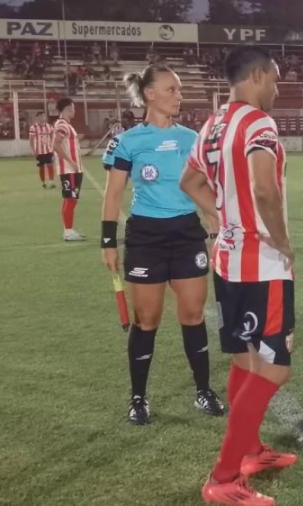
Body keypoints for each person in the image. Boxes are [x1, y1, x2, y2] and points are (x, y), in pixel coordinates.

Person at [180, 45, 297, 506]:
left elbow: (189, 182)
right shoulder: (258, 123)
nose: (277, 89)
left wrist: (219, 215)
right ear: (259, 74)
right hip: (260, 263)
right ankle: (225, 477)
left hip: (227, 259)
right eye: (276, 79)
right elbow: (265, 188)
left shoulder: (211, 125)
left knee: (246, 361)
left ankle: (250, 450)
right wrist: (282, 240)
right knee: (276, 368)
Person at [101, 64, 226, 425]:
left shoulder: (192, 138)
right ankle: (138, 398)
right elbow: (112, 194)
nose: (178, 96)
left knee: (193, 314)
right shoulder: (128, 141)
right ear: (150, 94)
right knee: (147, 319)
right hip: (146, 238)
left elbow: (206, 188)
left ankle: (203, 391)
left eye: (180, 90)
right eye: (171, 89)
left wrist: (215, 228)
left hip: (186, 233)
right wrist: (108, 242)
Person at [52, 97, 86, 241]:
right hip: (69, 169)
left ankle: (69, 229)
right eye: (73, 108)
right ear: (68, 109)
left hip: (73, 169)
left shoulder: (66, 125)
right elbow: (55, 144)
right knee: (70, 199)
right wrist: (71, 161)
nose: (74, 110)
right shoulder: (62, 125)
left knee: (72, 199)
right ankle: (68, 231)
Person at [29, 111, 56, 189]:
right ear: (37, 118)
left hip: (48, 150)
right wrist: (33, 151)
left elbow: (52, 137)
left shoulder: (49, 126)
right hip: (39, 151)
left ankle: (51, 182)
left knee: (50, 165)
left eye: (44, 116)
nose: (42, 118)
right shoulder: (33, 127)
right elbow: (31, 140)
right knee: (42, 167)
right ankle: (43, 183)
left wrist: (53, 147)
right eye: (41, 116)